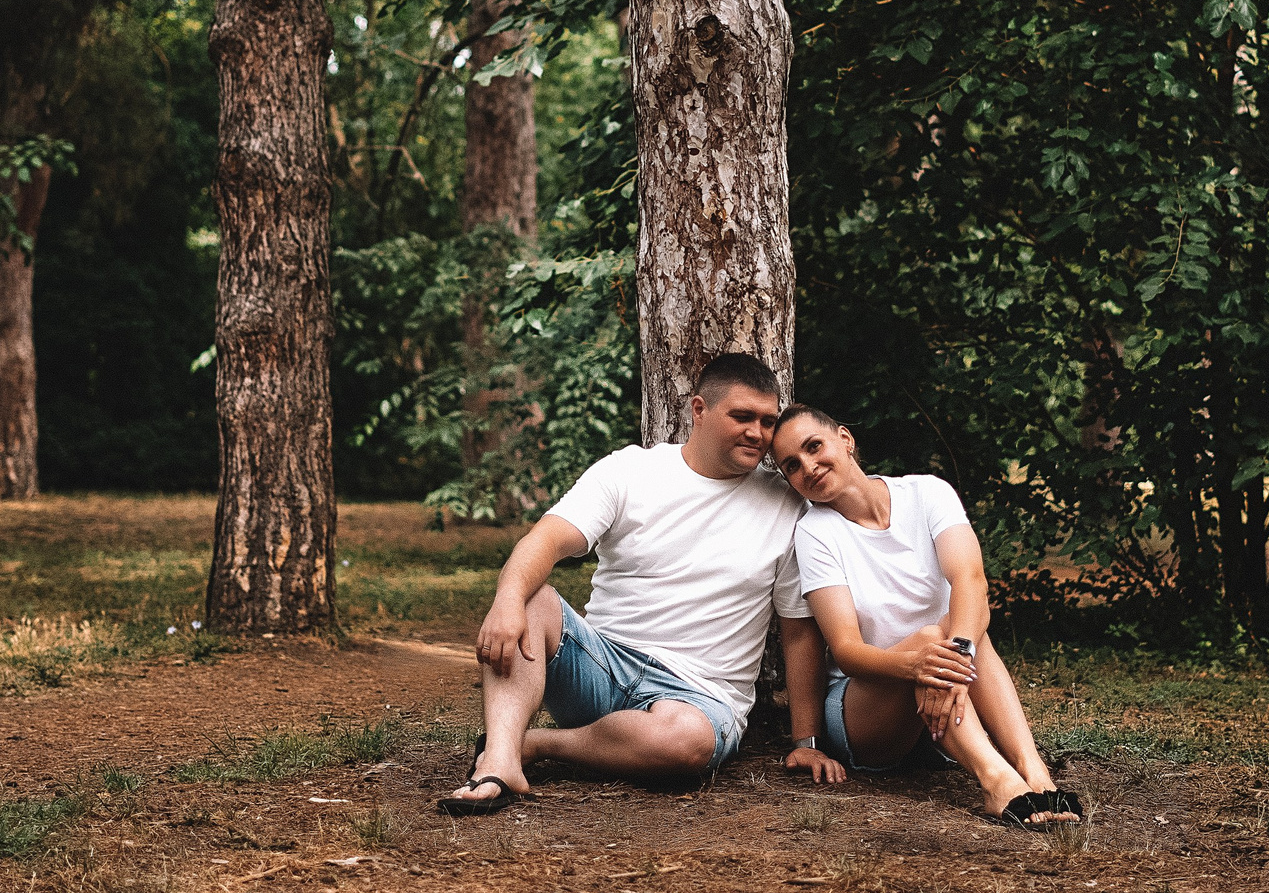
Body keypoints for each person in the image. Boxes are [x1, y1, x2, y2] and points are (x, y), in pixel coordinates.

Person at [439, 354, 844, 814]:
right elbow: (546, 540)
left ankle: (539, 744)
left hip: (699, 697)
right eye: (742, 416)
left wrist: (806, 739)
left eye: (768, 421)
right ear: (698, 410)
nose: (757, 432)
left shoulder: (786, 505)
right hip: (602, 667)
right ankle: (498, 761)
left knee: (685, 743)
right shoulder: (630, 471)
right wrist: (507, 601)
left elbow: (797, 630)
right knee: (533, 598)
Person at [770, 403, 1082, 829]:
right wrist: (917, 664)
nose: (808, 466)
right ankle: (997, 782)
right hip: (866, 713)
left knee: (966, 628)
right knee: (932, 640)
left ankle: (1037, 774)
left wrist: (953, 656)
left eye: (813, 446)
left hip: (941, 704)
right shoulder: (814, 532)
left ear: (845, 439)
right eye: (792, 465)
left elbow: (971, 581)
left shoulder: (926, 493)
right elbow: (846, 651)